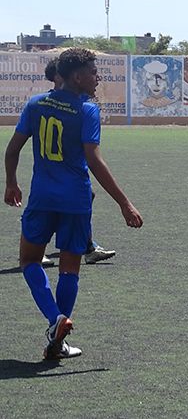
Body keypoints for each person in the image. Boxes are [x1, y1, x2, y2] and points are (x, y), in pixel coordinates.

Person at [4, 48, 143, 360]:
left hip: (42, 197)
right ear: (77, 76)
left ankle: (56, 328)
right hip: (76, 201)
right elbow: (93, 159)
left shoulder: (35, 103)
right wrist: (124, 203)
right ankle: (58, 327)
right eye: (94, 72)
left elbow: (12, 150)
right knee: (70, 269)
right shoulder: (87, 110)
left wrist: (11, 182)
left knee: (29, 261)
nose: (98, 77)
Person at [44, 59, 117, 265]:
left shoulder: (76, 100)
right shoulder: (51, 103)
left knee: (84, 196)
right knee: (50, 204)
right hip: (57, 169)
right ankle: (41, 245)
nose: (97, 78)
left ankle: (87, 246)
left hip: (71, 168)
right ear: (60, 77)